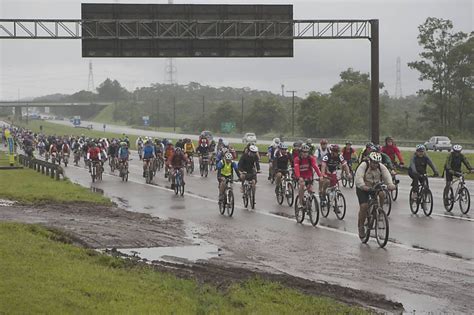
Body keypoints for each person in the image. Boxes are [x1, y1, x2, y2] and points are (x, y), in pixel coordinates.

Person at [354, 152, 396, 238]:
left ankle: (379, 210)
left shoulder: (381, 167)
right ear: (370, 161)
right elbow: (358, 178)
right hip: (363, 187)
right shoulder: (363, 166)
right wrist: (363, 186)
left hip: (375, 186)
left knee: (382, 193)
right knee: (364, 206)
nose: (375, 165)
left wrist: (390, 184)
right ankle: (361, 226)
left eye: (377, 163)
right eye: (374, 162)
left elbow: (387, 175)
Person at [319, 144, 351, 208]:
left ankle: (335, 204)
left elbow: (345, 165)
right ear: (332, 152)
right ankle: (323, 195)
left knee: (335, 185)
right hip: (326, 170)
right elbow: (323, 166)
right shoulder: (327, 156)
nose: (337, 153)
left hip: (333, 170)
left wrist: (348, 174)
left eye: (337, 151)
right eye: (335, 151)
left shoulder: (340, 156)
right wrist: (322, 175)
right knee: (327, 181)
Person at [294, 144, 322, 209]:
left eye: (306, 152)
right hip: (301, 176)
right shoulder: (297, 159)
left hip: (308, 176)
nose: (305, 153)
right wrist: (299, 177)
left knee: (310, 190)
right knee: (302, 185)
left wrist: (320, 176)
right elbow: (296, 168)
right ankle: (300, 203)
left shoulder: (310, 158)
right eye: (303, 152)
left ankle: (309, 203)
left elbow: (315, 166)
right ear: (301, 152)